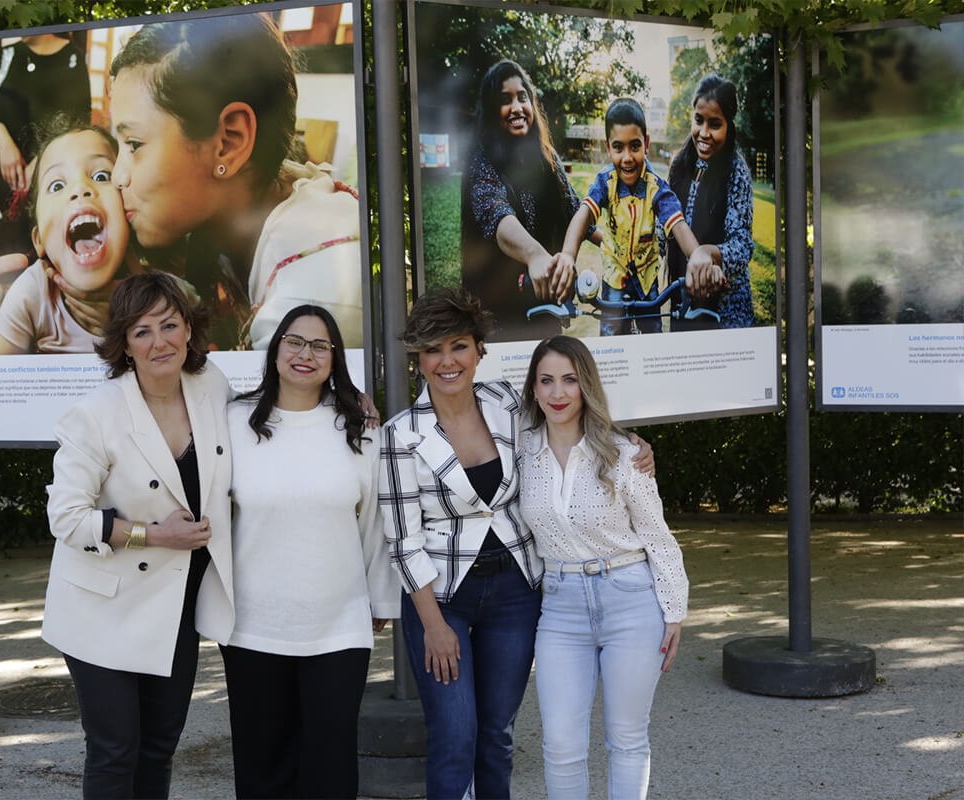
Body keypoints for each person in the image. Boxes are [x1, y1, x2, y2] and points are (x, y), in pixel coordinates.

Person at [377, 287, 654, 799]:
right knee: (454, 735)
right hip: (441, 599)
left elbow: (568, 418)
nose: (447, 361)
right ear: (418, 359)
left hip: (515, 592)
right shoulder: (400, 436)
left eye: (458, 345)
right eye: (433, 349)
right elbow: (403, 541)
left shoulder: (507, 402)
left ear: (478, 350)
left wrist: (630, 442)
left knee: (496, 736)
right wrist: (433, 626)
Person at [42, 271, 235, 799]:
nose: (159, 342)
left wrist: (348, 407)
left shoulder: (212, 385)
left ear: (189, 331)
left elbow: (268, 421)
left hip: (177, 605)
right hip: (100, 609)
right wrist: (154, 535)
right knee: (114, 749)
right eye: (142, 331)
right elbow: (67, 520)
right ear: (124, 344)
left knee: (159, 747)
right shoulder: (95, 416)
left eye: (169, 325)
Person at [220, 304, 399, 799]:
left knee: (330, 769)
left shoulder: (359, 430)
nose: (306, 354)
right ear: (276, 349)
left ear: (335, 359)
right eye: (294, 342)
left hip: (338, 627)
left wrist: (378, 604)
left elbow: (374, 523)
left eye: (321, 346)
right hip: (252, 626)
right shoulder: (234, 423)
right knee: (262, 768)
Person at [107, 14, 363, 351]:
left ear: (229, 142)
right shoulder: (240, 212)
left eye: (135, 145)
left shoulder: (315, 302)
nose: (116, 177)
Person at [517, 335, 688, 799]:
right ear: (532, 389)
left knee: (627, 740)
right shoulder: (520, 452)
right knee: (561, 745)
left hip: (631, 601)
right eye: (546, 380)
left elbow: (658, 536)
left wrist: (674, 611)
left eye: (569, 380)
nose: (558, 393)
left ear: (586, 385)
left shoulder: (625, 454)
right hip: (560, 609)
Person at [0, 118, 137, 355]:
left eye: (101, 176)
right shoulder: (36, 294)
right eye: (56, 185)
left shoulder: (168, 296)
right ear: (39, 240)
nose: (80, 188)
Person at [459, 60, 597, 341]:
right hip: (497, 321)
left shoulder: (548, 158)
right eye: (505, 100)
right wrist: (535, 255)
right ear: (490, 111)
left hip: (544, 310)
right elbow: (497, 217)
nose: (517, 107)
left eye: (522, 97)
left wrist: (619, 246)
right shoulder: (481, 160)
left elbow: (577, 214)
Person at [554, 98, 708, 336]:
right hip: (615, 276)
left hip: (647, 278)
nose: (627, 157)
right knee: (611, 338)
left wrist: (697, 255)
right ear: (608, 148)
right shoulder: (605, 182)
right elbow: (583, 214)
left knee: (652, 336)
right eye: (618, 147)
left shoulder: (656, 186)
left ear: (646, 144)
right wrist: (567, 256)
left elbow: (677, 222)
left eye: (635, 146)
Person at [0, 33, 91, 258]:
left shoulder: (72, 57)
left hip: (52, 161)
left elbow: (77, 120)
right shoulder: (9, 54)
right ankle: (15, 216)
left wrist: (42, 160)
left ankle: (23, 224)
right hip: (8, 162)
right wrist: (5, 145)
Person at [666, 74, 755, 330]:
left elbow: (741, 246)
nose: (704, 133)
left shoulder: (735, 171)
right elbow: (666, 228)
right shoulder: (679, 166)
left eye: (715, 124)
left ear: (729, 124)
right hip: (684, 301)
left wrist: (706, 253)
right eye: (699, 120)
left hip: (726, 312)